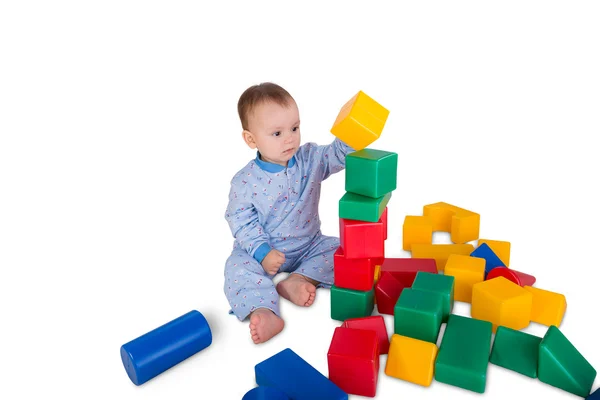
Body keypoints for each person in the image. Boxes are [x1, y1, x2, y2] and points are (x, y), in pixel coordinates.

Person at [224, 82, 354, 344]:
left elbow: (337, 155)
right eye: (277, 133)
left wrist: (353, 131)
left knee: (344, 251)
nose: (290, 138)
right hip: (264, 252)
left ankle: (297, 279)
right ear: (251, 139)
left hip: (309, 245)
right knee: (236, 269)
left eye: (295, 128)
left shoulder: (310, 159)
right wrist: (262, 252)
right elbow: (240, 220)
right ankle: (264, 310)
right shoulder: (245, 181)